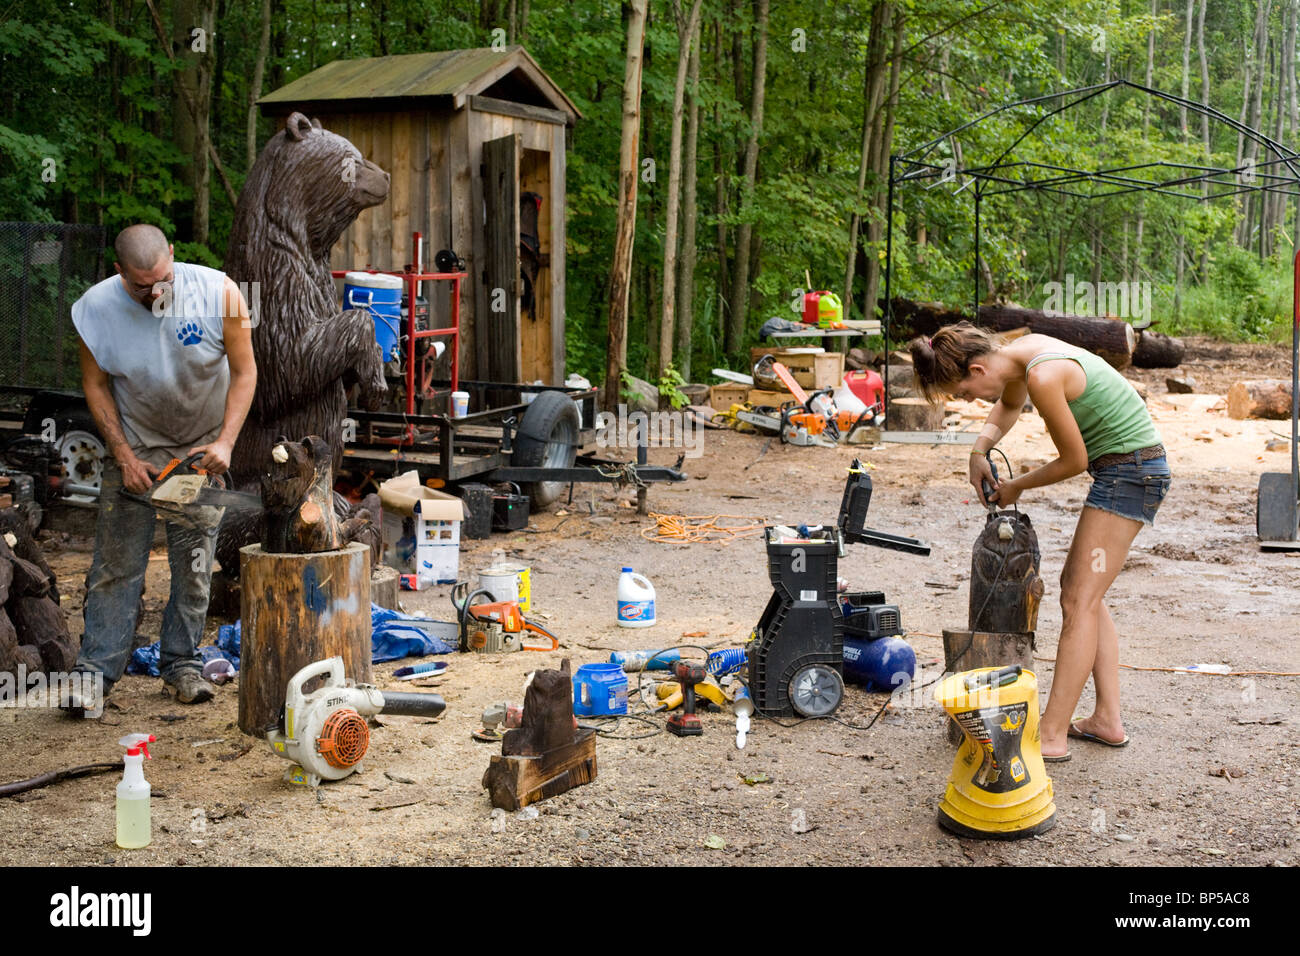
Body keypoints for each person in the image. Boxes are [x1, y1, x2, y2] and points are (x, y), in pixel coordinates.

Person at [910, 322, 1171, 761]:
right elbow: (1008, 406)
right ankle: (1107, 719)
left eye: (964, 392)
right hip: (1124, 469)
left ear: (977, 368)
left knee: (1078, 600)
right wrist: (979, 450)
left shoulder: (1043, 376)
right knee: (1087, 595)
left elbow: (1074, 459)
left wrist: (1017, 486)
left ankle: (1051, 736)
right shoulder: (1018, 355)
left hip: (1132, 472)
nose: (969, 401)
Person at [63, 224, 257, 717]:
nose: (156, 293)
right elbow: (96, 385)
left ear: (173, 255)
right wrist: (124, 456)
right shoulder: (94, 310)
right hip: (135, 454)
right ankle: (92, 676)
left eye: (163, 280)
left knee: (192, 571)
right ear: (118, 273)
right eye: (141, 287)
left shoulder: (221, 294)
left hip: (199, 456)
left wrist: (225, 444)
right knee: (115, 570)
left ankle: (182, 665)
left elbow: (245, 371)